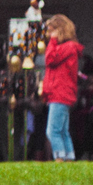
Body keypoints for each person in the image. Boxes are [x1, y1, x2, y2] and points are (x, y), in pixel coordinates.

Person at [40, 15, 81, 162]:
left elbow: (50, 58)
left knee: (52, 131)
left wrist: (52, 41)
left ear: (60, 30)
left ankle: (59, 158)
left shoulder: (66, 47)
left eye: (52, 31)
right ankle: (69, 158)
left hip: (60, 94)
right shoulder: (69, 48)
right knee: (63, 131)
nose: (50, 35)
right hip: (62, 94)